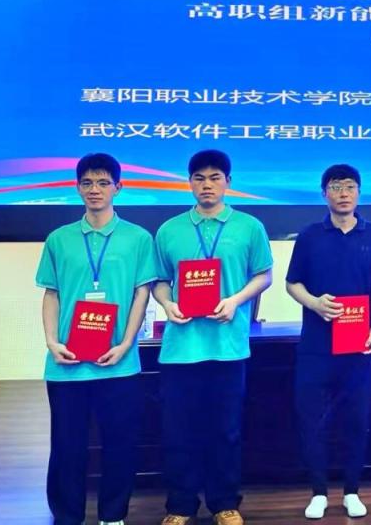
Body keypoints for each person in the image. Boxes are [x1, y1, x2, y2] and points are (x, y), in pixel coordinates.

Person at [152, 150, 273, 525]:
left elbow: (264, 275)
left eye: (215, 177)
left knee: (226, 430)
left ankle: (225, 504)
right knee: (179, 432)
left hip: (228, 346)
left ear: (228, 182)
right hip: (181, 348)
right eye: (200, 178)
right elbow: (159, 281)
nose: (207, 184)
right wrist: (168, 303)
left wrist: (235, 300)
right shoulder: (169, 230)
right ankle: (180, 506)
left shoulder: (249, 226)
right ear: (189, 183)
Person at [37, 153, 157, 525]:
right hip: (67, 363)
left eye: (103, 183)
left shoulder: (138, 238)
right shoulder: (59, 239)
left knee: (119, 443)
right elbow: (52, 293)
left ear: (118, 187)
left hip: (118, 363)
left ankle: (113, 515)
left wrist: (126, 344)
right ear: (77, 188)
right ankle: (67, 516)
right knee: (67, 446)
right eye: (87, 183)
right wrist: (52, 342)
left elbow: (142, 293)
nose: (95, 190)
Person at [286, 163, 371, 519]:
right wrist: (314, 303)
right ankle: (318, 492)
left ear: (359, 192)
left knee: (357, 420)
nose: (343, 193)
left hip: (358, 343)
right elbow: (292, 283)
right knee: (312, 420)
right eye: (335, 186)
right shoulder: (310, 235)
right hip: (316, 345)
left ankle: (351, 491)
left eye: (349, 186)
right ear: (324, 193)